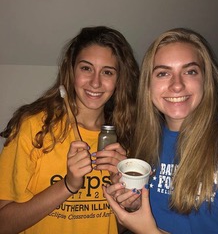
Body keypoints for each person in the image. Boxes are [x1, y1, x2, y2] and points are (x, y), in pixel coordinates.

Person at [103, 28, 218, 234]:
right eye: (163, 73)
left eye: (190, 71)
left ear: (205, 80)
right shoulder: (145, 143)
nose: (177, 85)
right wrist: (133, 205)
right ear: (148, 86)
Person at [0, 26, 139, 234]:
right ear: (71, 71)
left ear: (119, 80)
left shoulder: (126, 137)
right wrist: (68, 185)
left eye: (108, 72)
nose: (95, 82)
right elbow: (4, 224)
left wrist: (122, 195)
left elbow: (113, 225)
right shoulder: (33, 127)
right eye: (86, 68)